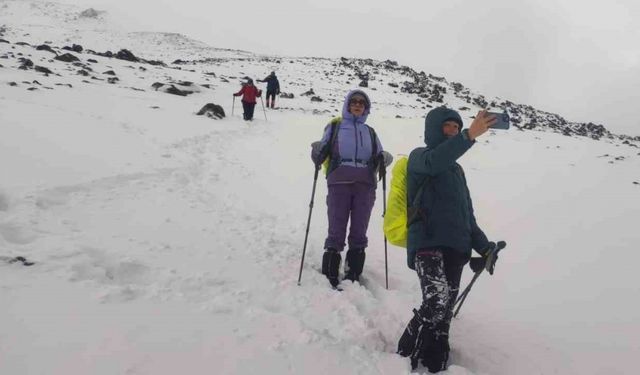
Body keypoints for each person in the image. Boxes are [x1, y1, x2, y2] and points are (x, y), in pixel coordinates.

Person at [396, 107, 497, 372]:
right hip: (427, 244)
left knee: (444, 315)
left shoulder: (458, 171)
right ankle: (405, 349)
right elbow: (436, 162)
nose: (452, 131)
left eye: (456, 127)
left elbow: (467, 217)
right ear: (433, 129)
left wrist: (485, 247)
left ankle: (435, 360)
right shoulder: (420, 158)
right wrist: (468, 136)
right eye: (447, 127)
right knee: (436, 301)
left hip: (457, 247)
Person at [310, 90, 392, 288]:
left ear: (366, 108)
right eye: (354, 102)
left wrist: (384, 158)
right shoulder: (335, 126)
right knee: (336, 224)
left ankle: (353, 271)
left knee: (359, 227)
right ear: (347, 105)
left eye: (361, 103)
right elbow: (324, 147)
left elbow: (379, 153)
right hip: (339, 180)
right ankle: (331, 269)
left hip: (365, 183)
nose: (357, 105)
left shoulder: (370, 132)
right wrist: (317, 151)